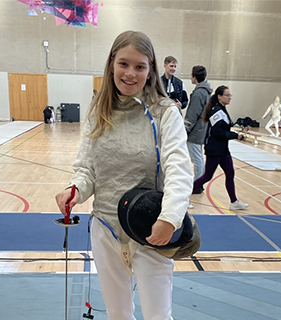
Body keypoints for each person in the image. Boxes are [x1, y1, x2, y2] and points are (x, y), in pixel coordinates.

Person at [55, 31, 192, 320]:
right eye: (123, 64)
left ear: (151, 70)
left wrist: (169, 218)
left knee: (158, 316)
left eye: (140, 66)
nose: (130, 74)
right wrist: (76, 190)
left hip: (150, 228)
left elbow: (179, 168)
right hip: (105, 228)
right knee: (117, 314)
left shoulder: (164, 112)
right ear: (111, 65)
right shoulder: (99, 109)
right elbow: (87, 167)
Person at [192, 85, 249, 211]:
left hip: (223, 150)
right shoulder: (216, 111)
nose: (230, 98)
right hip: (214, 149)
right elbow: (218, 132)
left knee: (230, 173)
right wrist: (235, 135)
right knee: (207, 176)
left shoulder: (222, 110)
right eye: (227, 95)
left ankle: (234, 202)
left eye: (230, 95)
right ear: (219, 96)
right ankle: (184, 196)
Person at [185, 65, 212, 192]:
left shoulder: (199, 93)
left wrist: (186, 129)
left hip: (196, 131)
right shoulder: (205, 91)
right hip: (202, 128)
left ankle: (197, 184)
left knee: (197, 160)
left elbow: (192, 114)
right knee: (199, 159)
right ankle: (198, 183)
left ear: (194, 76)